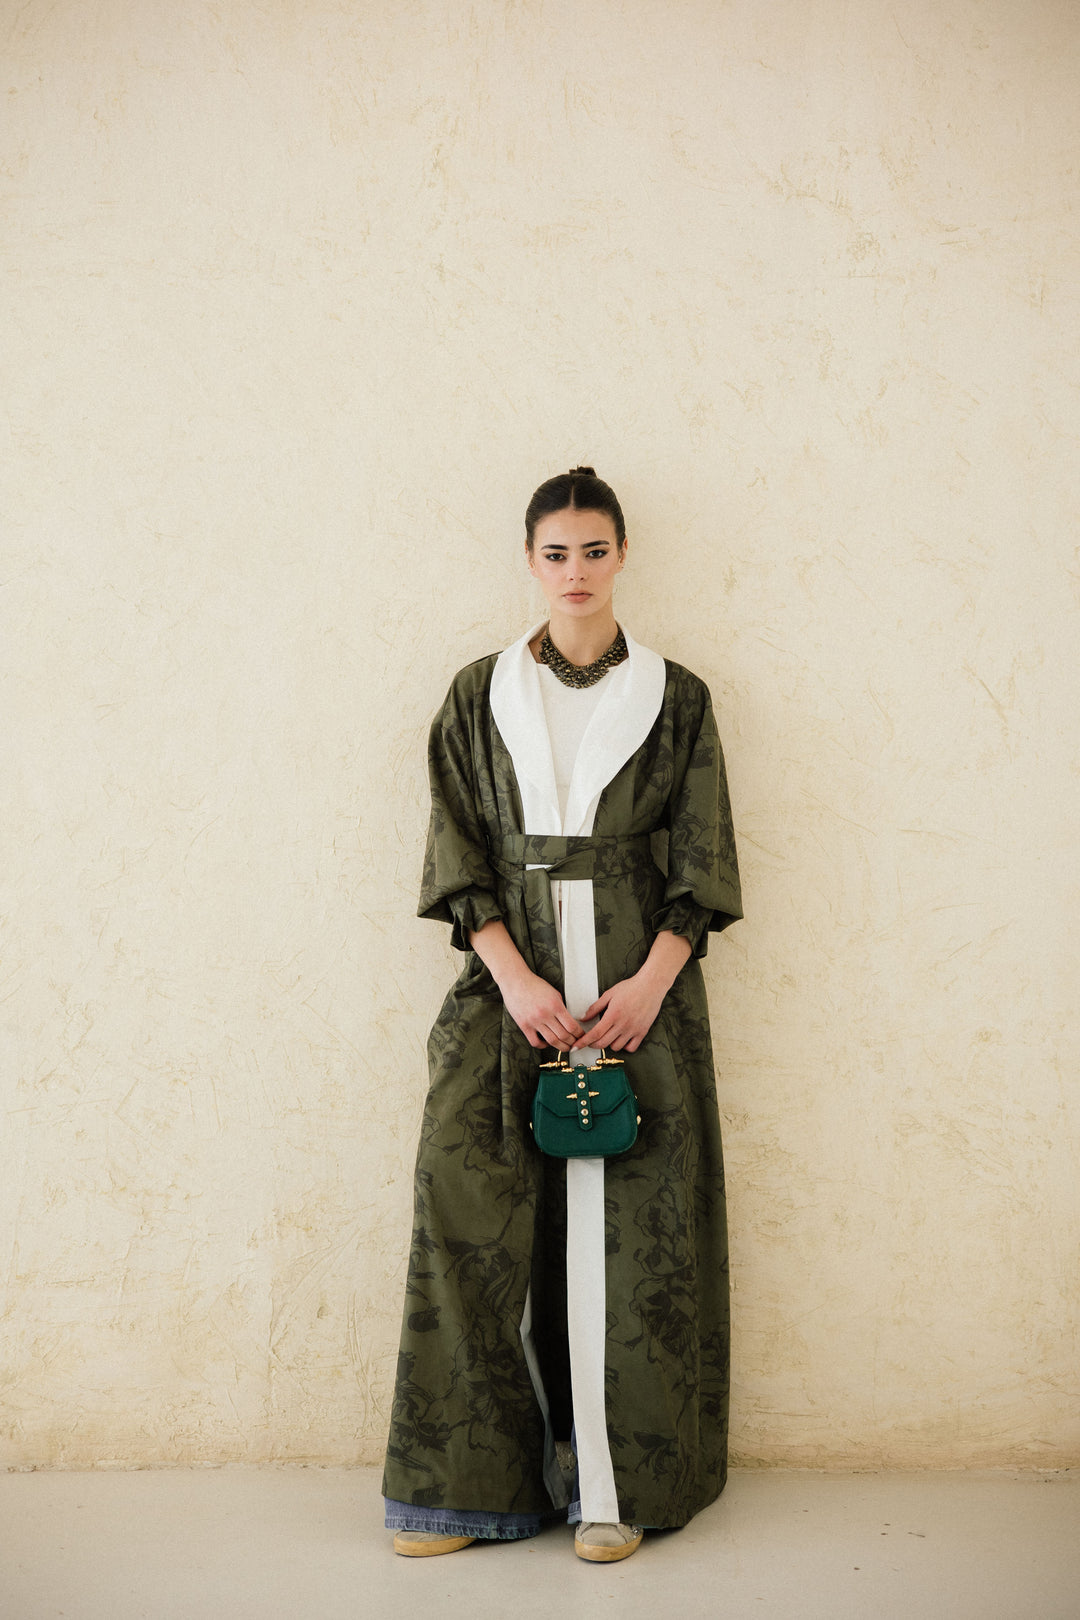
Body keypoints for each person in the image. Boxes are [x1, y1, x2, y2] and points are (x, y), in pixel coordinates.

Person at [382, 468, 742, 1562]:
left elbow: (703, 860)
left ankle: (618, 1494)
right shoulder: (476, 695)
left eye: (593, 550)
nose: (575, 572)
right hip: (511, 992)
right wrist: (515, 980)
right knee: (467, 1214)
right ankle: (469, 1495)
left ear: (621, 554)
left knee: (632, 1234)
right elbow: (457, 854)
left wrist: (651, 984)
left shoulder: (679, 699)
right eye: (555, 554)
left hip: (639, 1002)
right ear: (530, 561)